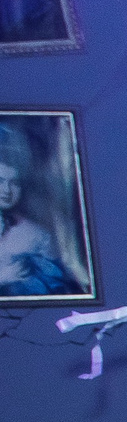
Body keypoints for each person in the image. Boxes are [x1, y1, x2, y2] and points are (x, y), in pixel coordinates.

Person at [0, 125, 73, 297]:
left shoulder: (36, 235)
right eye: (0, 181)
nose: (6, 190)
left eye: (14, 183)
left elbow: (57, 288)